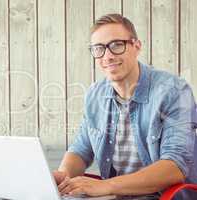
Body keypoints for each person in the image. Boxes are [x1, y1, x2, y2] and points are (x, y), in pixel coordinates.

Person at [53, 13, 197, 199]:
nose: (108, 55)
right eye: (99, 48)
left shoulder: (174, 91)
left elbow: (175, 166)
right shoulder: (95, 94)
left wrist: (106, 186)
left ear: (136, 46)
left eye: (117, 45)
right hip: (115, 195)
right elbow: (81, 149)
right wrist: (63, 177)